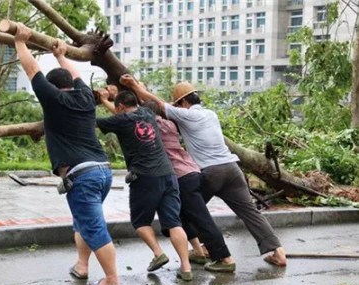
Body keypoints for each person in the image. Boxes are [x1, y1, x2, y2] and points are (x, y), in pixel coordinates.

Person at [120, 75, 287, 268]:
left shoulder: (186, 114)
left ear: (183, 102)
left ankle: (211, 252)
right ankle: (278, 252)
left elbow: (156, 103)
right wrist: (139, 87)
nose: (176, 108)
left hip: (210, 173)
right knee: (250, 212)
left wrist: (133, 85)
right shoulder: (211, 114)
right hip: (233, 170)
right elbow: (158, 105)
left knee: (188, 212)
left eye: (178, 104)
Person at [13, 23, 120, 285]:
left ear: (52, 88)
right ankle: (82, 266)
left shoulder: (53, 100)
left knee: (93, 227)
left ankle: (112, 279)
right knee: (83, 222)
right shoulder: (85, 96)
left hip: (82, 175)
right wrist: (61, 55)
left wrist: (20, 42)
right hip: (102, 171)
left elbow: (31, 70)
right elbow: (77, 76)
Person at [117, 77, 236, 272]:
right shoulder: (173, 124)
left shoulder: (152, 127)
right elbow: (153, 107)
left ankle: (225, 258)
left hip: (182, 178)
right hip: (194, 173)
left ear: (182, 102)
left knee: (200, 218)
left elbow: (135, 115)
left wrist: (128, 91)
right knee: (180, 217)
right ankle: (198, 251)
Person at [95, 88, 193, 281]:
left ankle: (158, 253)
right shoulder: (147, 113)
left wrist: (101, 99)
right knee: (174, 222)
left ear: (121, 106)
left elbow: (93, 122)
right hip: (168, 174)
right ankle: (186, 267)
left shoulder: (120, 121)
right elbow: (125, 113)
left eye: (118, 108)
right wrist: (109, 100)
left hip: (145, 177)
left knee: (140, 222)